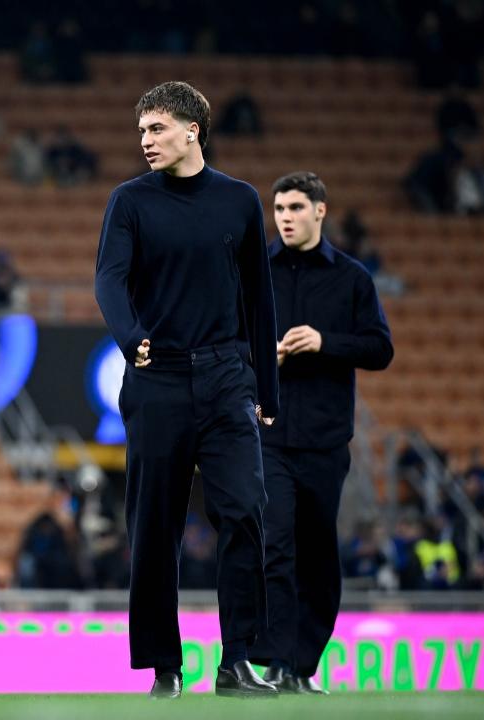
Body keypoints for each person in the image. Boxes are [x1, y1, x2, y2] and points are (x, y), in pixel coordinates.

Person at [94, 81, 280, 699]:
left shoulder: (239, 200)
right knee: (154, 526)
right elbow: (108, 280)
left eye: (157, 128)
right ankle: (164, 669)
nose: (145, 141)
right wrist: (131, 338)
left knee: (245, 511)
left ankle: (237, 663)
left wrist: (268, 389)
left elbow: (260, 300)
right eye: (142, 131)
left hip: (228, 378)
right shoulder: (129, 201)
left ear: (192, 130)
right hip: (158, 378)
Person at [249, 172, 394, 694]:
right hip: (268, 436)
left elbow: (380, 349)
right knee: (276, 544)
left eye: (295, 207)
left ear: (320, 211)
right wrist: (263, 354)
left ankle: (301, 666)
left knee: (317, 556)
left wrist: (324, 342)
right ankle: (276, 661)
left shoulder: (352, 279)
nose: (285, 217)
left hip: (325, 441)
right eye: (278, 209)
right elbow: (226, 342)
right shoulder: (254, 272)